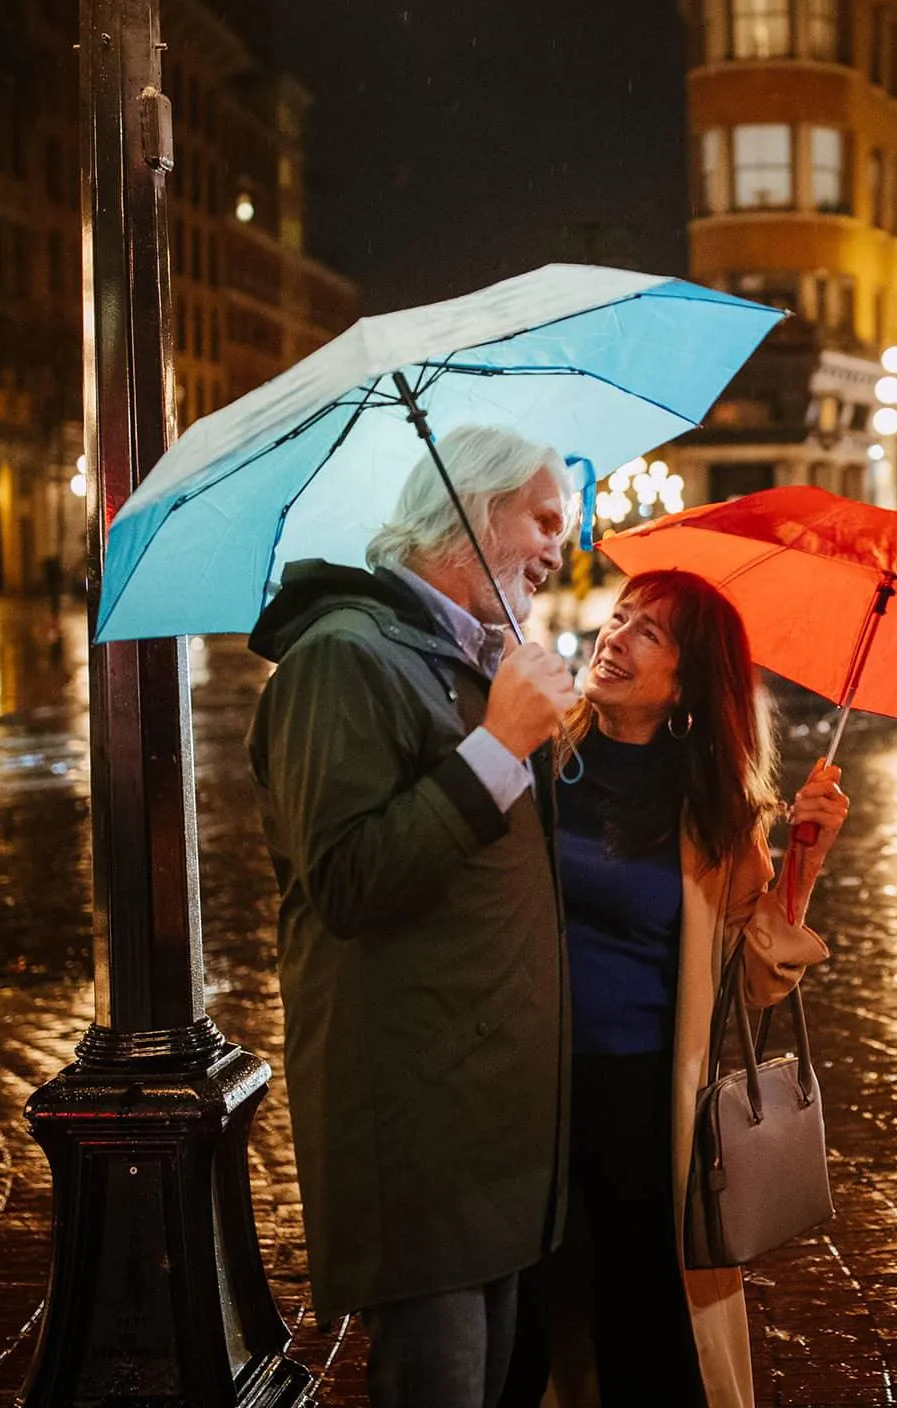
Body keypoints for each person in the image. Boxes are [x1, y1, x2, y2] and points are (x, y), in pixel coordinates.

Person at [247, 424, 581, 1408]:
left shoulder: (465, 658)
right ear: (471, 515)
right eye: (545, 518)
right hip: (419, 1127)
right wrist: (497, 746)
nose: (562, 544)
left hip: (492, 1128)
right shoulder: (341, 659)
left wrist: (536, 737)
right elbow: (348, 878)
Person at [507, 570, 847, 1408]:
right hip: (523, 1099)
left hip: (645, 1111)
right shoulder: (539, 757)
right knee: (523, 1337)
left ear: (688, 681)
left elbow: (757, 982)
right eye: (618, 618)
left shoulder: (718, 811)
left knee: (645, 1344)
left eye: (647, 632)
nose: (613, 637)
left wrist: (802, 857)